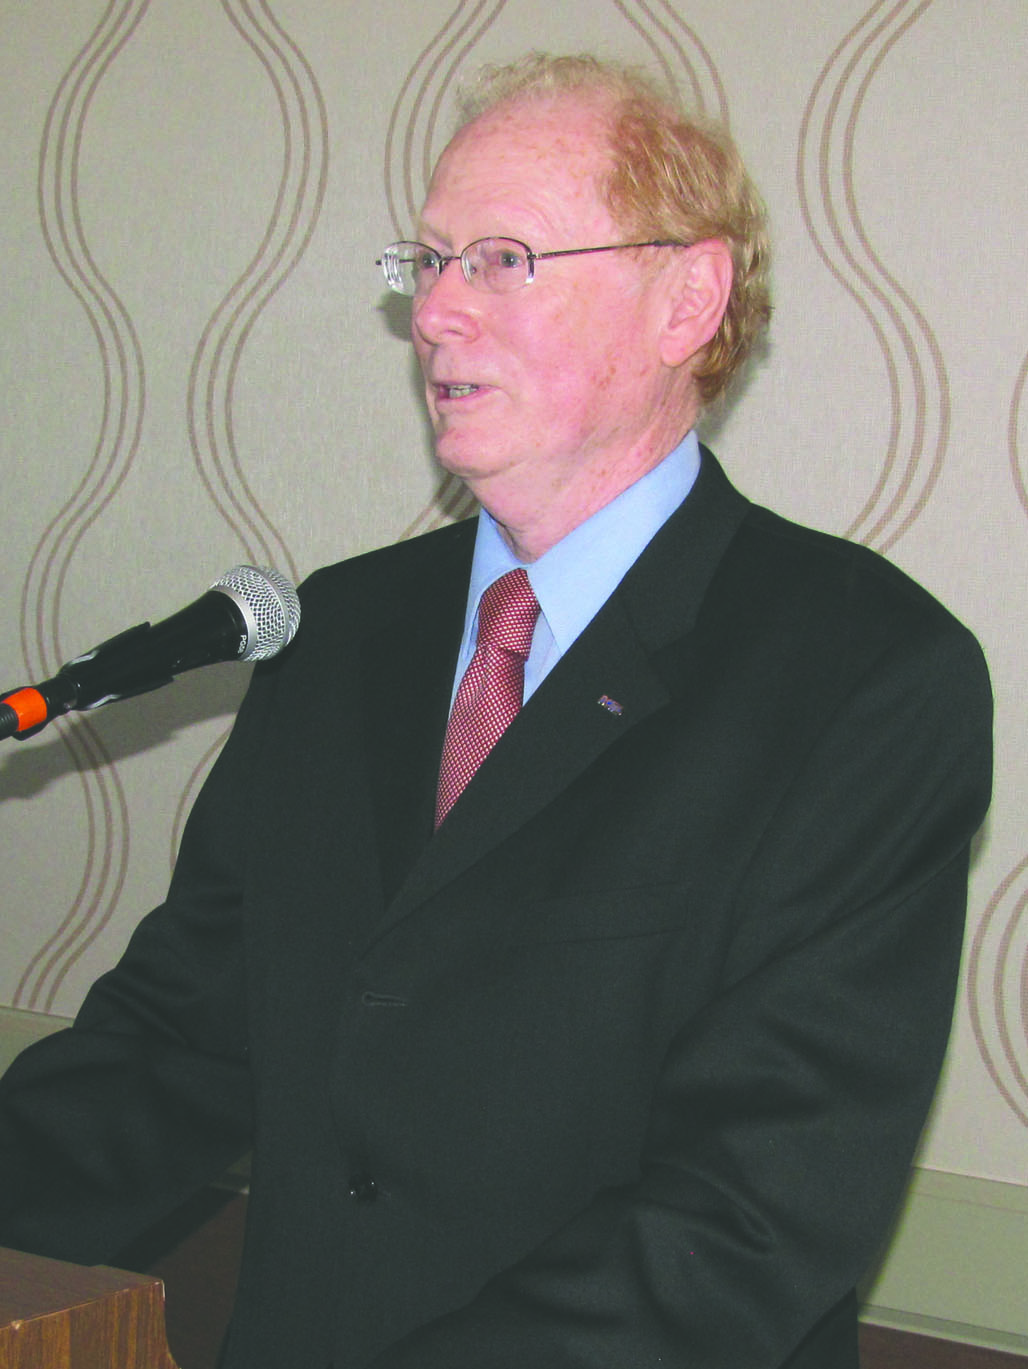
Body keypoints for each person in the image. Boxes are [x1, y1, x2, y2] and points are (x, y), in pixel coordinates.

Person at [0, 53, 992, 1369]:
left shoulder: (864, 676)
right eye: (428, 261)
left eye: (506, 259)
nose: (436, 315)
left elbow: (744, 1223)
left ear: (687, 299)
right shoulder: (339, 630)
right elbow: (175, 1050)